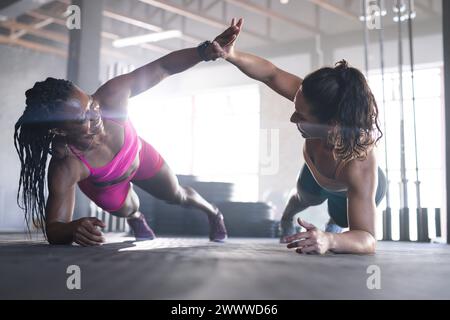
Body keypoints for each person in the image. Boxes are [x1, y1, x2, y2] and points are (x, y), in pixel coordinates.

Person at [14, 25, 240, 246]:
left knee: (177, 194)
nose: (96, 114)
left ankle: (214, 212)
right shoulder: (67, 163)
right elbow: (54, 227)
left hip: (138, 155)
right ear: (60, 130)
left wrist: (204, 52)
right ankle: (136, 218)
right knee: (130, 208)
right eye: (85, 118)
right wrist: (72, 229)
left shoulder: (112, 96)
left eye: (91, 103)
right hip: (108, 185)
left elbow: (163, 67)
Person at [209, 18, 386, 254]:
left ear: (331, 125)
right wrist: (231, 55)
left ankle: (332, 226)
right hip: (316, 173)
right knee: (303, 198)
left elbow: (367, 239)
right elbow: (271, 74)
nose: (293, 119)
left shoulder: (360, 164)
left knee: (341, 221)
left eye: (301, 116)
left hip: (347, 188)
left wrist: (330, 240)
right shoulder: (317, 99)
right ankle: (287, 217)